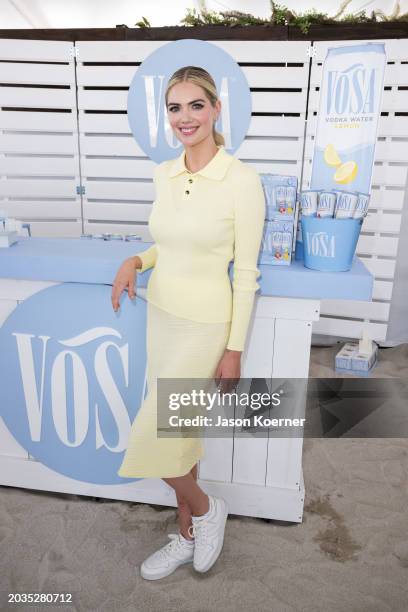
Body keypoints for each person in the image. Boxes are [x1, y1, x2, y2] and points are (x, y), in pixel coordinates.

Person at [111, 66, 265, 580]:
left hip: (204, 327)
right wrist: (136, 261)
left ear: (216, 109)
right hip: (162, 317)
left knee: (157, 440)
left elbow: (245, 274)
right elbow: (169, 243)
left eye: (195, 105)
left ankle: (205, 510)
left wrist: (234, 348)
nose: (185, 117)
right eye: (174, 108)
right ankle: (186, 534)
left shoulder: (242, 181)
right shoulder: (164, 173)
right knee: (180, 437)